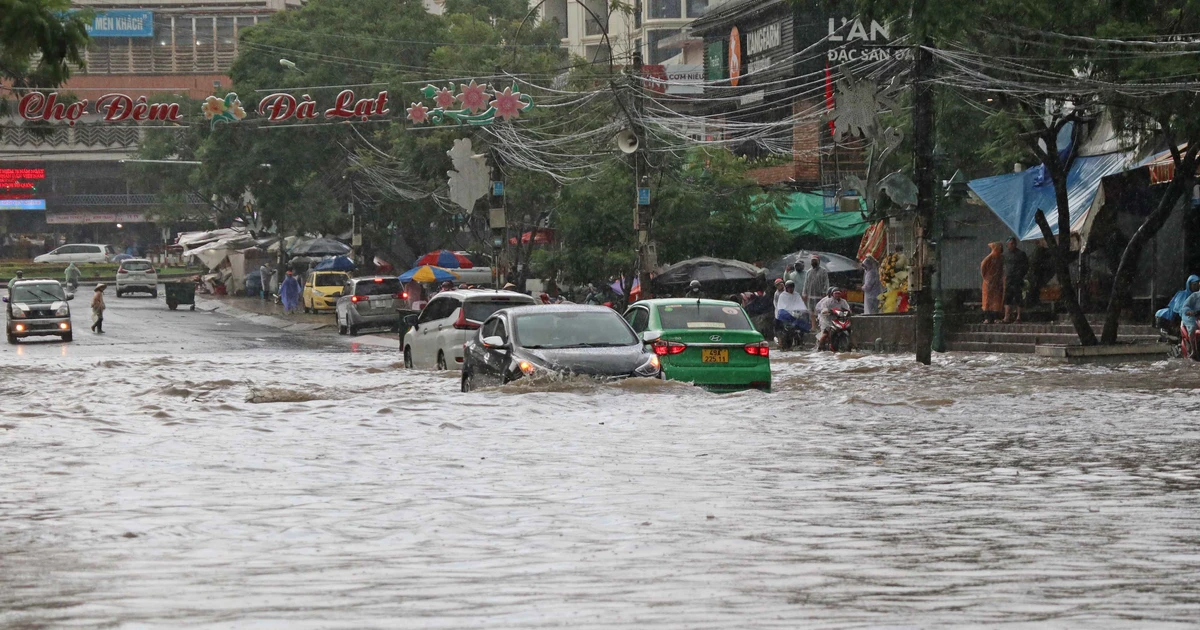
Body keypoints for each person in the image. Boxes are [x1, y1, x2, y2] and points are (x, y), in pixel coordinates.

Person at [1003, 237, 1029, 323]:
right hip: (1009, 278)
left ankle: (1019, 317)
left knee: (1018, 297)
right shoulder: (1006, 255)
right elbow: (1004, 266)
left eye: (1014, 243)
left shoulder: (1021, 254)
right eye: (1011, 244)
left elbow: (1026, 266)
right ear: (1007, 245)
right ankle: (1007, 316)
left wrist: (1021, 275)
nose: (1013, 245)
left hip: (1017, 279)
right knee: (1007, 298)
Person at [802, 254, 829, 327]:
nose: (813, 262)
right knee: (811, 312)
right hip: (810, 295)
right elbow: (806, 283)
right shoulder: (808, 272)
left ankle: (820, 326)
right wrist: (804, 293)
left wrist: (825, 292)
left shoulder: (823, 271)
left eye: (815, 261)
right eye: (812, 261)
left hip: (820, 295)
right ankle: (813, 327)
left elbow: (826, 282)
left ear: (819, 261)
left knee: (820, 311)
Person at [980, 242, 1004, 323]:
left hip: (996, 282)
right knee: (987, 300)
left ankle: (995, 316)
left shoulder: (1000, 258)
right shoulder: (989, 258)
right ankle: (987, 317)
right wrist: (986, 278)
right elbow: (983, 268)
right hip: (989, 282)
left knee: (996, 300)